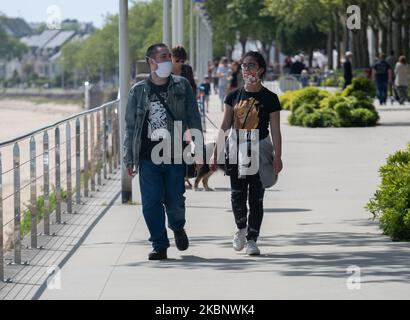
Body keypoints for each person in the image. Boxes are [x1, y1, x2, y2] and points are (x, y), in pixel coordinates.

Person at [123, 43, 203, 260]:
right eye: (163, 56)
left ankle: (177, 227)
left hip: (175, 152)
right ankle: (159, 244)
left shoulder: (182, 85)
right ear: (151, 62)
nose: (168, 59)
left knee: (175, 199)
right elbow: (130, 128)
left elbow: (194, 118)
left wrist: (199, 149)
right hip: (148, 156)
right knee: (151, 202)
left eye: (169, 56)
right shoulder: (138, 91)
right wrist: (129, 158)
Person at [210, 51, 283, 256]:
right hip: (236, 150)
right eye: (244, 65)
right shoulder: (233, 96)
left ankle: (252, 239)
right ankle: (241, 229)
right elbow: (224, 126)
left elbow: (276, 130)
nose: (246, 69)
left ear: (260, 69)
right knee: (237, 196)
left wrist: (277, 156)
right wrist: (216, 154)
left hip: (260, 150)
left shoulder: (270, 98)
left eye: (251, 65)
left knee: (257, 199)